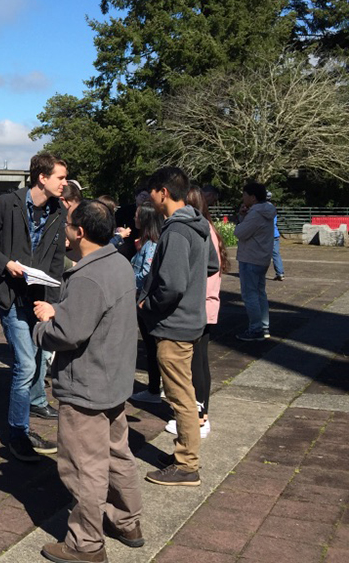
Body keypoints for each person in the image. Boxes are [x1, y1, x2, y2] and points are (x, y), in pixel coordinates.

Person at [33, 200, 143, 563]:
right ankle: (126, 521)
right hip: (113, 377)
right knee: (117, 455)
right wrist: (61, 314)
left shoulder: (87, 276)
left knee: (83, 466)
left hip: (86, 383)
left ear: (79, 231)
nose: (64, 229)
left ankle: (85, 544)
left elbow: (68, 333)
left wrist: (44, 325)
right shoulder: (118, 262)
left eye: (67, 224)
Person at [0, 152, 68, 462]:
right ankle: (18, 434)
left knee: (38, 358)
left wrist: (52, 304)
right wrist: (6, 264)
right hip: (9, 295)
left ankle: (31, 411)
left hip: (37, 297)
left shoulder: (59, 211)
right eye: (60, 177)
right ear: (42, 177)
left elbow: (56, 262)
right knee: (26, 365)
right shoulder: (8, 203)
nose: (65, 183)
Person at [138, 167, 218, 487]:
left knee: (180, 396)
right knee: (184, 393)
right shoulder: (198, 223)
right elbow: (211, 264)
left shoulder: (175, 230)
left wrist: (148, 304)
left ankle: (187, 464)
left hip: (174, 324)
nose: (150, 198)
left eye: (152, 192)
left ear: (163, 193)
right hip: (192, 320)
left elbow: (171, 285)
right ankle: (184, 456)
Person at [163, 188, 229, 439]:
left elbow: (208, 270)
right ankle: (200, 414)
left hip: (202, 303)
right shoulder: (205, 228)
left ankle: (200, 416)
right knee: (198, 362)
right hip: (205, 304)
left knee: (197, 362)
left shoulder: (198, 231)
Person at [128, 203, 165, 405]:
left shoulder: (151, 244)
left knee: (152, 347)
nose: (135, 218)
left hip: (143, 298)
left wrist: (130, 284)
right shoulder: (148, 242)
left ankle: (153, 388)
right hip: (142, 297)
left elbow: (145, 271)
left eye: (137, 215)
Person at [234, 182, 276, 342]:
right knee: (260, 293)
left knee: (249, 295)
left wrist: (242, 219)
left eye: (244, 194)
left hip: (250, 257)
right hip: (262, 257)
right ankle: (264, 327)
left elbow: (240, 232)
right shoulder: (267, 210)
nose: (242, 198)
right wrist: (244, 216)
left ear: (252, 197)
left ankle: (256, 329)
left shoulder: (256, 213)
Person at [267, 191, 285, 281]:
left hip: (267, 235)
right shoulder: (272, 207)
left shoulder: (263, 208)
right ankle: (280, 273)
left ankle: (258, 273)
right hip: (275, 234)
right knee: (276, 254)